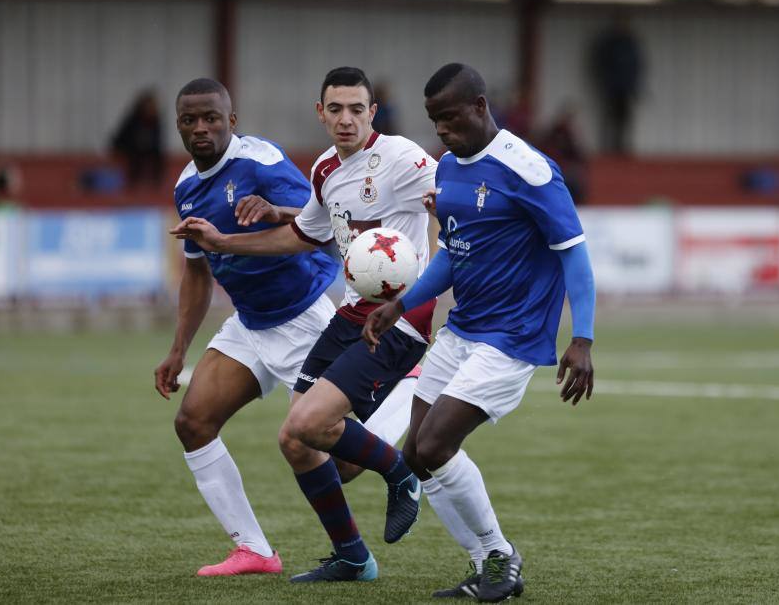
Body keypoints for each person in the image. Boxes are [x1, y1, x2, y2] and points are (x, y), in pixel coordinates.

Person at [170, 66, 448, 583]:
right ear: (320, 113)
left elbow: (454, 190)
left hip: (368, 317)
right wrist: (226, 241)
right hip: (318, 314)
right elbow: (306, 231)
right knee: (290, 439)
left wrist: (452, 210)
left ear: (373, 112)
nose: (346, 119)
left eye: (356, 109)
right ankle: (347, 557)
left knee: (325, 446)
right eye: (335, 109)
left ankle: (400, 450)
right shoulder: (321, 168)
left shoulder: (398, 158)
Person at [362, 63, 596, 602]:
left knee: (438, 441)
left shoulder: (529, 170)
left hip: (512, 337)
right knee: (416, 454)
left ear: (480, 107)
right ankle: (486, 563)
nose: (441, 130)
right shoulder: (447, 169)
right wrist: (401, 304)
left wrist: (581, 338)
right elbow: (453, 253)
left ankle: (499, 555)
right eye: (433, 120)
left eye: (450, 118)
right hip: (462, 328)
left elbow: (574, 256)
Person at [154, 77, 342, 577]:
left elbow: (319, 224)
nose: (201, 128)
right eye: (190, 120)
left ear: (231, 122)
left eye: (211, 118)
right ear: (178, 126)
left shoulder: (260, 161)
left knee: (336, 456)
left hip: (304, 316)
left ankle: (398, 416)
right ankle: (255, 551)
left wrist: (276, 212)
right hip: (251, 324)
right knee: (192, 423)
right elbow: (196, 270)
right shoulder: (186, 187)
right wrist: (178, 349)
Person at [590, 13, 644, 154]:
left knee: (624, 117)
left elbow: (637, 65)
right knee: (610, 116)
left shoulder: (631, 42)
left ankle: (622, 146)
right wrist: (605, 80)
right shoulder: (610, 43)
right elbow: (600, 63)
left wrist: (634, 85)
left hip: (626, 87)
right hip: (611, 85)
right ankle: (608, 147)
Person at [110, 88, 165, 187]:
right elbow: (125, 137)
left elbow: (158, 140)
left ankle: (156, 182)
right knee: (135, 155)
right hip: (128, 146)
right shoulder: (134, 118)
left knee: (158, 154)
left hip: (145, 146)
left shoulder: (155, 120)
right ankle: (133, 181)